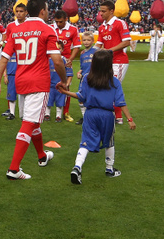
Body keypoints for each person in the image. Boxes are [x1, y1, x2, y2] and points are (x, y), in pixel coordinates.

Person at [0, 0, 67, 180]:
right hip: (39, 82)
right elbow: (57, 61)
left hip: (21, 81)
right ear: (42, 11)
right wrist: (64, 81)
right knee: (28, 123)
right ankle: (14, 169)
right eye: (47, 10)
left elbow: (4, 58)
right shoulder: (47, 29)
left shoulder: (16, 30)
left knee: (32, 122)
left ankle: (42, 156)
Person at [56, 50, 137, 185]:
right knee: (109, 142)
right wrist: (130, 119)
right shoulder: (114, 82)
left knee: (85, 142)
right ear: (109, 64)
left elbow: (81, 96)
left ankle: (77, 167)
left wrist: (65, 92)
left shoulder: (87, 78)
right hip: (107, 116)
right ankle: (109, 169)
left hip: (90, 114)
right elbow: (121, 103)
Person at [95, 0, 132, 124]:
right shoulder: (102, 27)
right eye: (100, 11)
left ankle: (118, 117)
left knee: (113, 86)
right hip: (107, 62)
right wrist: (89, 53)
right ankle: (116, 116)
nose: (101, 13)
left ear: (112, 11)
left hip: (119, 61)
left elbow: (126, 42)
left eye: (103, 11)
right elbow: (99, 43)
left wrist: (109, 50)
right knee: (107, 86)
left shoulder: (120, 23)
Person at [51, 10, 81, 122]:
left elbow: (77, 46)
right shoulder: (50, 28)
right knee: (49, 86)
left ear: (66, 20)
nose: (58, 24)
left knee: (66, 86)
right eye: (56, 22)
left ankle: (66, 112)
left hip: (65, 62)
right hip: (51, 61)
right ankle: (46, 112)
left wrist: (70, 60)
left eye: (61, 22)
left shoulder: (73, 29)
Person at [1, 3, 28, 120]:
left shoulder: (29, 25)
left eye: (21, 11)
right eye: (17, 11)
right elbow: (7, 44)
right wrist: (5, 74)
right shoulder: (11, 26)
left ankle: (23, 114)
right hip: (12, 66)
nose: (19, 13)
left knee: (23, 92)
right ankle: (12, 113)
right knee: (11, 91)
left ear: (26, 12)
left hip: (25, 64)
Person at [74, 31, 96, 122]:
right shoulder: (82, 53)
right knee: (81, 97)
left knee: (92, 98)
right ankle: (85, 117)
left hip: (94, 78)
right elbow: (82, 66)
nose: (86, 42)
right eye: (84, 40)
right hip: (84, 79)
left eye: (88, 40)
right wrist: (79, 72)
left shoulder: (96, 51)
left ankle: (92, 117)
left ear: (93, 41)